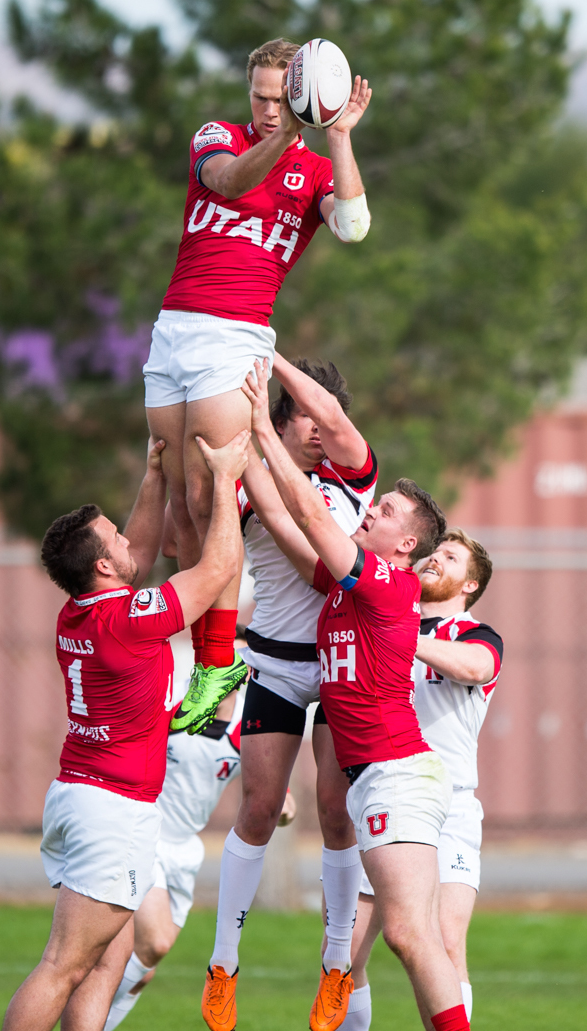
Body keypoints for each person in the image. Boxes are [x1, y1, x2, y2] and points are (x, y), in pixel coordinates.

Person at [238, 363, 500, 1031]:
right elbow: (291, 528)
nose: (367, 510)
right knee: (391, 940)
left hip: (400, 779)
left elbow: (315, 520)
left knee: (419, 934)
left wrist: (261, 426)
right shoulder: (359, 588)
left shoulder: (385, 587)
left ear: (408, 541)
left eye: (382, 509)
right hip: (375, 781)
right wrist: (236, 456)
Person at [0, 430, 249, 1031]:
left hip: (80, 797)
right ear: (102, 566)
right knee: (66, 959)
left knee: (111, 950)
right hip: (109, 807)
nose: (130, 542)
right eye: (115, 537)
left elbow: (141, 553)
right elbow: (215, 571)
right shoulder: (125, 618)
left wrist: (154, 476)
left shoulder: (82, 610)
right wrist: (227, 483)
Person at [144, 36, 372, 735]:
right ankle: (208, 657)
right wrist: (286, 136)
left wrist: (336, 139)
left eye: (282, 99)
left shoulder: (310, 166)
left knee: (214, 489)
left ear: (299, 100)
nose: (270, 111)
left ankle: (217, 666)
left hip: (236, 334)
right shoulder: (218, 137)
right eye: (262, 97)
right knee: (179, 499)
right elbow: (229, 182)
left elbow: (356, 227)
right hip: (174, 329)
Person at [297, 531, 503, 1031]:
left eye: (453, 558)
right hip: (380, 793)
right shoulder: (382, 611)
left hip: (449, 806)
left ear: (470, 585)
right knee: (343, 953)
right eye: (435, 551)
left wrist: (399, 635)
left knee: (439, 941)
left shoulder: (472, 635)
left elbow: (475, 666)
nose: (436, 558)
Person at [201, 354, 375, 1031]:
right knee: (260, 806)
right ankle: (222, 962)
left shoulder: (354, 475)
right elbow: (218, 545)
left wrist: (265, 349)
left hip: (338, 666)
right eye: (304, 413)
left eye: (326, 414)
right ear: (277, 414)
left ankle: (335, 962)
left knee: (336, 811)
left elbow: (316, 568)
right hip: (272, 662)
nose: (321, 427)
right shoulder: (250, 475)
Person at [42, 687, 298, 1031]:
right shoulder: (175, 709)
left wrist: (284, 808)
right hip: (146, 836)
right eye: (219, 648)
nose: (226, 660)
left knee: (144, 968)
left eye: (236, 652)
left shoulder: (247, 727)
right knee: (156, 941)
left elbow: (275, 792)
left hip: (185, 851)